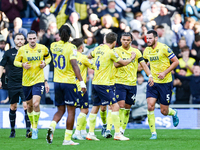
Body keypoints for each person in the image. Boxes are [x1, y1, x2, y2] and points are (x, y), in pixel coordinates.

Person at [86, 32, 135, 141]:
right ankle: (118, 133)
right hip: (105, 84)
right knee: (115, 106)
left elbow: (89, 55)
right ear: (114, 42)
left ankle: (90, 133)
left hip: (95, 82)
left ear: (104, 40)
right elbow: (124, 63)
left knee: (95, 107)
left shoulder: (98, 49)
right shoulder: (111, 52)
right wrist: (132, 58)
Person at [46, 25, 86, 145]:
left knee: (60, 110)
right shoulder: (72, 47)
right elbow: (74, 65)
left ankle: (52, 126)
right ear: (70, 35)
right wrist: (82, 81)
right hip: (69, 83)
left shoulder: (54, 45)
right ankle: (67, 139)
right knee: (71, 112)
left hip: (57, 82)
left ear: (59, 34)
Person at [110, 32, 153, 136]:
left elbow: (144, 65)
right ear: (120, 40)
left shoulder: (136, 52)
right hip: (119, 82)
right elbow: (115, 64)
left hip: (132, 84)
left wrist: (150, 76)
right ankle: (117, 131)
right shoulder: (116, 51)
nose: (126, 42)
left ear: (131, 41)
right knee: (120, 105)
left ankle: (122, 130)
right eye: (124, 39)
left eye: (128, 40)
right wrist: (130, 59)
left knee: (127, 108)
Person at [14, 30, 51, 139]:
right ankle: (33, 127)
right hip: (26, 82)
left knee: (35, 104)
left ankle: (35, 129)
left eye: (34, 38)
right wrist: (22, 65)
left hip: (38, 80)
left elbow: (49, 57)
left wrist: (45, 63)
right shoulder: (22, 50)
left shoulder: (42, 48)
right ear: (27, 39)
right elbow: (15, 62)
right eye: (30, 39)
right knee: (29, 106)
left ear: (36, 38)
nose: (32, 40)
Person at [143, 30, 179, 140]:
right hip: (153, 82)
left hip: (165, 83)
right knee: (150, 106)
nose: (148, 40)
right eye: (147, 38)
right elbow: (143, 64)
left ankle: (173, 113)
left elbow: (176, 61)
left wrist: (164, 73)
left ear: (156, 38)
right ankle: (153, 133)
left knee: (164, 111)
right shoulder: (146, 51)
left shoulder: (164, 47)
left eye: (150, 38)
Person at [0, 33, 31, 138]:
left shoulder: (29, 52)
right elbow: (1, 65)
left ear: (25, 40)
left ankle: (28, 131)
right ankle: (12, 130)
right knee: (13, 106)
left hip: (26, 82)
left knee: (26, 106)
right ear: (14, 40)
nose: (20, 41)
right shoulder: (9, 53)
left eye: (22, 39)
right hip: (13, 83)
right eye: (18, 39)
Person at [71, 38, 92, 140]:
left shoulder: (70, 57)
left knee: (78, 110)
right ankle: (77, 132)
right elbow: (94, 66)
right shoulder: (83, 58)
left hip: (71, 87)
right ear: (81, 47)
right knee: (85, 110)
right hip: (81, 87)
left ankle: (83, 132)